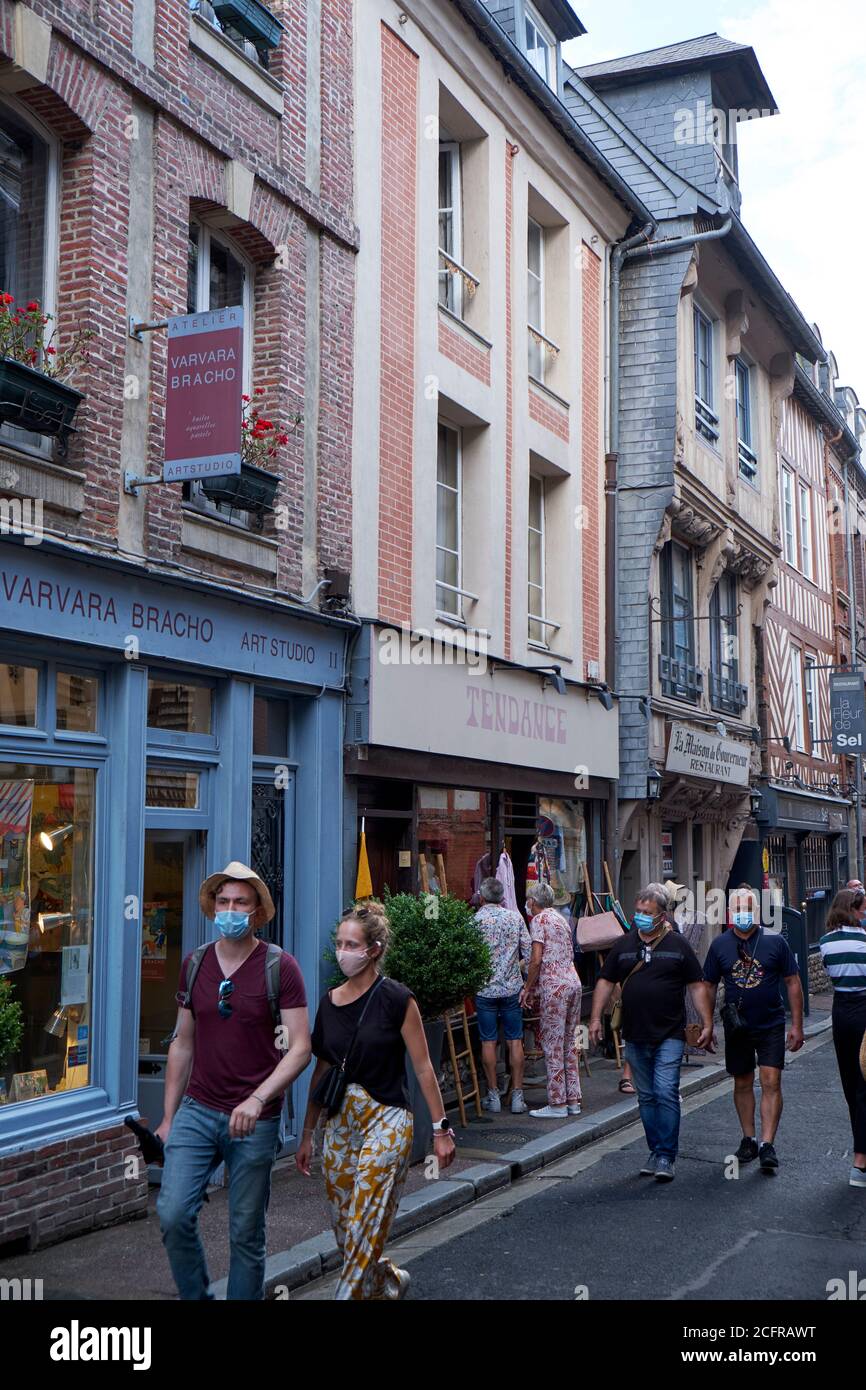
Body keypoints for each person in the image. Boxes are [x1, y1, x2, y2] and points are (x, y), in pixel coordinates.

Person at [156, 862, 310, 1300]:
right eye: (223, 901)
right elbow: (183, 1043)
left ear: (257, 911)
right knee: (172, 1213)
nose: (230, 909)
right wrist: (168, 1118)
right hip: (197, 1109)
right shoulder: (196, 963)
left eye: (240, 902)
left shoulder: (280, 967)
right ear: (212, 908)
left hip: (255, 1121)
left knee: (245, 1232)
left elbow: (300, 1047)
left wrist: (258, 1100)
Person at [297, 902, 455, 1299]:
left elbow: (422, 1069)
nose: (343, 951)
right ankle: (381, 1276)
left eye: (352, 943)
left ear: (374, 949)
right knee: (346, 1223)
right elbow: (321, 1069)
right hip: (339, 1120)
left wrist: (441, 1129)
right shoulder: (330, 1001)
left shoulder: (397, 999)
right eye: (339, 942)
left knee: (367, 1212)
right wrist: (306, 1132)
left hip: (388, 1116)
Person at [589, 883, 712, 1181]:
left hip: (670, 1033)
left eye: (648, 913)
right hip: (635, 1033)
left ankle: (667, 1156)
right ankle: (656, 1150)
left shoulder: (678, 945)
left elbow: (697, 985)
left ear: (661, 916)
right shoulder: (624, 944)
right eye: (638, 911)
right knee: (646, 1097)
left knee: (665, 1092)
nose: (641, 917)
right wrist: (594, 1019)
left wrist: (707, 1022)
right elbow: (605, 981)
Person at [703, 885, 804, 1175]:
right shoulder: (720, 945)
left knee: (771, 1081)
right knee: (743, 1082)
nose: (743, 914)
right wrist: (708, 1025)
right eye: (738, 909)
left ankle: (767, 1144)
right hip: (738, 1029)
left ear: (757, 913)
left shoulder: (775, 942)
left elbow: (792, 982)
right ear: (729, 914)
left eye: (749, 909)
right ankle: (748, 1138)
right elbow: (708, 985)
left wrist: (796, 1026)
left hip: (771, 1023)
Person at [523, 881, 583, 1119]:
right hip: (574, 981)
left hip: (555, 985)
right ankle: (573, 1099)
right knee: (570, 1042)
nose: (527, 904)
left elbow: (536, 959)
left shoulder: (539, 920)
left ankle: (557, 1102)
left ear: (533, 902)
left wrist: (528, 987)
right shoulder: (561, 919)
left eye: (528, 900)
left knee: (552, 1043)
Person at [473, 876, 532, 1114]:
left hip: (485, 989)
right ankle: (517, 1096)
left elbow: (469, 956)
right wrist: (523, 978)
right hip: (511, 988)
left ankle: (493, 1095)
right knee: (514, 1040)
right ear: (503, 897)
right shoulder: (515, 917)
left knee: (488, 1041)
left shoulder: (475, 921)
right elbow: (528, 953)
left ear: (482, 897)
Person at [819, 888, 866, 1188]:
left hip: (841, 1013)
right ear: (853, 909)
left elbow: (830, 974)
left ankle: (860, 1159)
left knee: (851, 1084)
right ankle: (861, 1158)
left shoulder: (824, 943)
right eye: (862, 910)